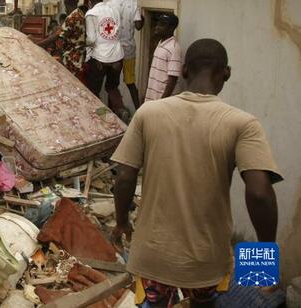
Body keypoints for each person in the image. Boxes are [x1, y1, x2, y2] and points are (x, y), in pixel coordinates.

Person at [111, 38, 281, 307]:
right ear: (226, 73)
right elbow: (260, 193)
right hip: (206, 261)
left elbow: (124, 177)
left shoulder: (148, 113)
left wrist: (122, 221)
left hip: (153, 255)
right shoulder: (242, 123)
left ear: (184, 72)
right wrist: (263, 260)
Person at [83, 0, 125, 115]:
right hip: (118, 56)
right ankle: (120, 110)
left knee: (94, 91)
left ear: (89, 2)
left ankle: (101, 118)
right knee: (112, 87)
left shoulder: (91, 13)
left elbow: (91, 39)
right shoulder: (114, 9)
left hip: (99, 58)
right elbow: (118, 32)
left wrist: (83, 44)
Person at [107, 0, 143, 109]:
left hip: (114, 52)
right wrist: (142, 17)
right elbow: (139, 26)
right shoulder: (133, 3)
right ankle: (138, 110)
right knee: (130, 83)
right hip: (129, 51)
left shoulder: (109, 5)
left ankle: (113, 111)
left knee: (112, 85)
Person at [144, 13, 182, 102]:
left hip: (162, 100)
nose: (157, 27)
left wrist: (162, 102)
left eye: (162, 25)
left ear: (171, 28)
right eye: (158, 24)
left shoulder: (174, 48)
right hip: (153, 98)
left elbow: (172, 80)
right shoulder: (160, 43)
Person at [56, 0, 87, 79]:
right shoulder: (81, 14)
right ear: (77, 1)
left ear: (65, 2)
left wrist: (38, 43)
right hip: (80, 58)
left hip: (71, 61)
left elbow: (58, 37)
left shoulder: (71, 17)